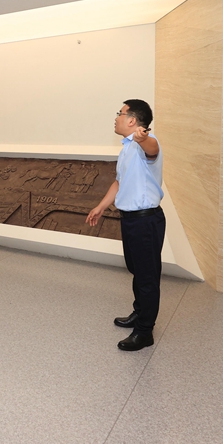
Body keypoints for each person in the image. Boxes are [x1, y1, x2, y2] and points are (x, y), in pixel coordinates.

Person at [86, 99, 165, 352]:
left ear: (132, 120)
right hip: (131, 219)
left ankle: (144, 331)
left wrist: (143, 138)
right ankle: (139, 312)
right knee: (136, 270)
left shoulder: (145, 143)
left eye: (120, 113)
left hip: (146, 220)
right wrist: (101, 206)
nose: (116, 117)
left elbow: (152, 149)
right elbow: (119, 182)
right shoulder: (127, 148)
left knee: (147, 277)